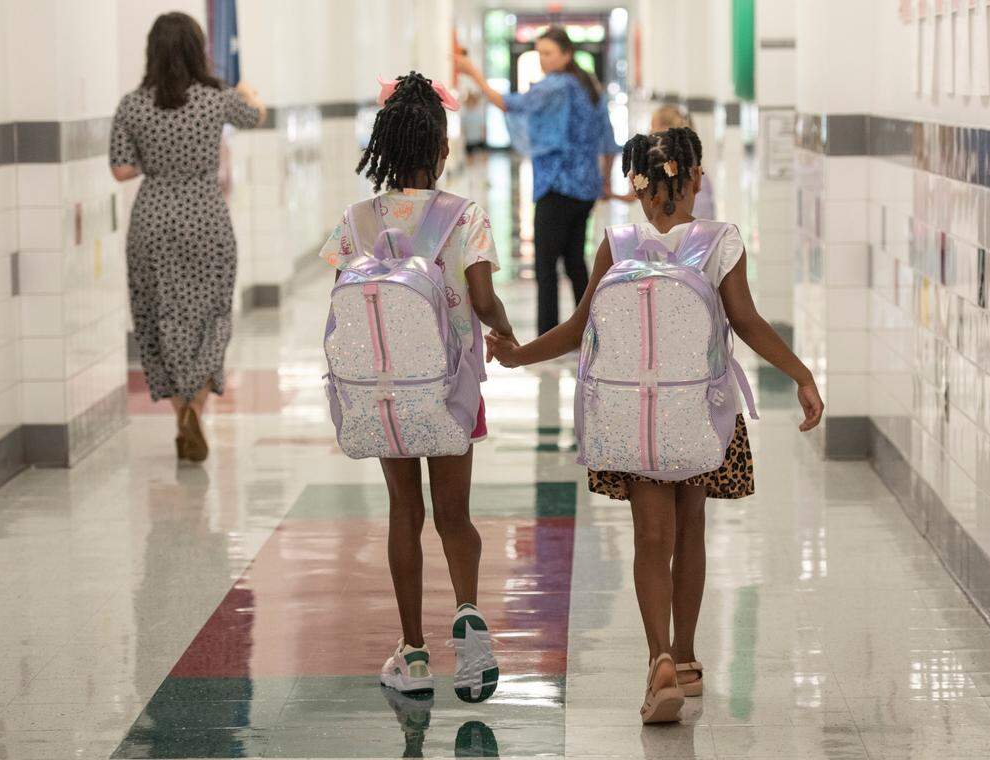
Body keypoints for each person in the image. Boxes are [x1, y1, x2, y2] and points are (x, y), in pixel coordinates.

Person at [486, 127, 824, 722]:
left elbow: (576, 330)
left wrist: (516, 355)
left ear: (635, 185)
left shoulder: (616, 244)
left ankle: (658, 658)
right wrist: (801, 374)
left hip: (632, 419)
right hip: (698, 414)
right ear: (697, 179)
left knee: (651, 537)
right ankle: (689, 656)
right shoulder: (721, 241)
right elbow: (745, 322)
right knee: (690, 527)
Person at [320, 72, 515, 704]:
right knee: (454, 516)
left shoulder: (356, 220)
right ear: (440, 150)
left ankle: (412, 652)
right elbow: (483, 300)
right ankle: (467, 616)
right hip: (450, 392)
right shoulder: (464, 216)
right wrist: (506, 335)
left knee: (405, 512)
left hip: (384, 395)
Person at [110, 12, 265, 462]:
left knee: (159, 315)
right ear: (198, 51)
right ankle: (197, 405)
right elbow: (255, 115)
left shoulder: (133, 104)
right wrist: (248, 92)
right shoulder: (214, 99)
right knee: (211, 313)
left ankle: (181, 411)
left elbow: (122, 169)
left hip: (153, 217)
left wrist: (158, 162)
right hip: (205, 215)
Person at [455, 26, 621, 336]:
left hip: (557, 186)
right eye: (540, 53)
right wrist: (605, 182)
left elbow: (510, 104)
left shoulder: (555, 87)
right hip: (584, 188)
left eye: (548, 53)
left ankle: (548, 335)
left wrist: (472, 73)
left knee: (546, 266)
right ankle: (589, 329)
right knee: (574, 260)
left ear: (566, 54)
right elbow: (609, 142)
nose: (543, 59)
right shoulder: (590, 87)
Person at [615, 105, 715, 219]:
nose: (649, 132)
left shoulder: (669, 167)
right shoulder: (689, 164)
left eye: (653, 126)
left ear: (666, 128)